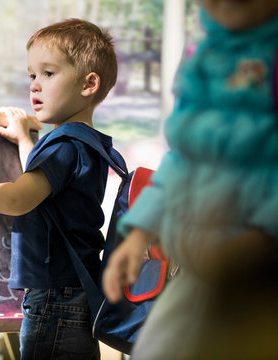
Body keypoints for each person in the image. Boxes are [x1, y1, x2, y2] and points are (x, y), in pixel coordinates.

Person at [102, 0, 278, 358]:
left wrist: (260, 239)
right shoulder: (206, 60)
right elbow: (183, 157)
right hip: (202, 265)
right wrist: (138, 235)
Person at [0, 18, 117, 359]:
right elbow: (44, 182)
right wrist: (25, 139)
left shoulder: (63, 146)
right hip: (75, 290)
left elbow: (17, 199)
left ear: (89, 84)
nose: (35, 86)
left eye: (48, 73)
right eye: (32, 75)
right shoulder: (83, 144)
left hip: (53, 296)